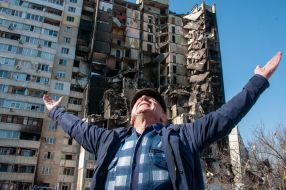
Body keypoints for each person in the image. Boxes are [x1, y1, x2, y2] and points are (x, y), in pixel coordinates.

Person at [43, 52, 282, 190]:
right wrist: (55, 111)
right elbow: (77, 127)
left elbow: (224, 117)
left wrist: (257, 82)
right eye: (139, 99)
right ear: (130, 115)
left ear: (165, 116)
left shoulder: (183, 137)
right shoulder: (108, 140)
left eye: (152, 99)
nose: (144, 98)